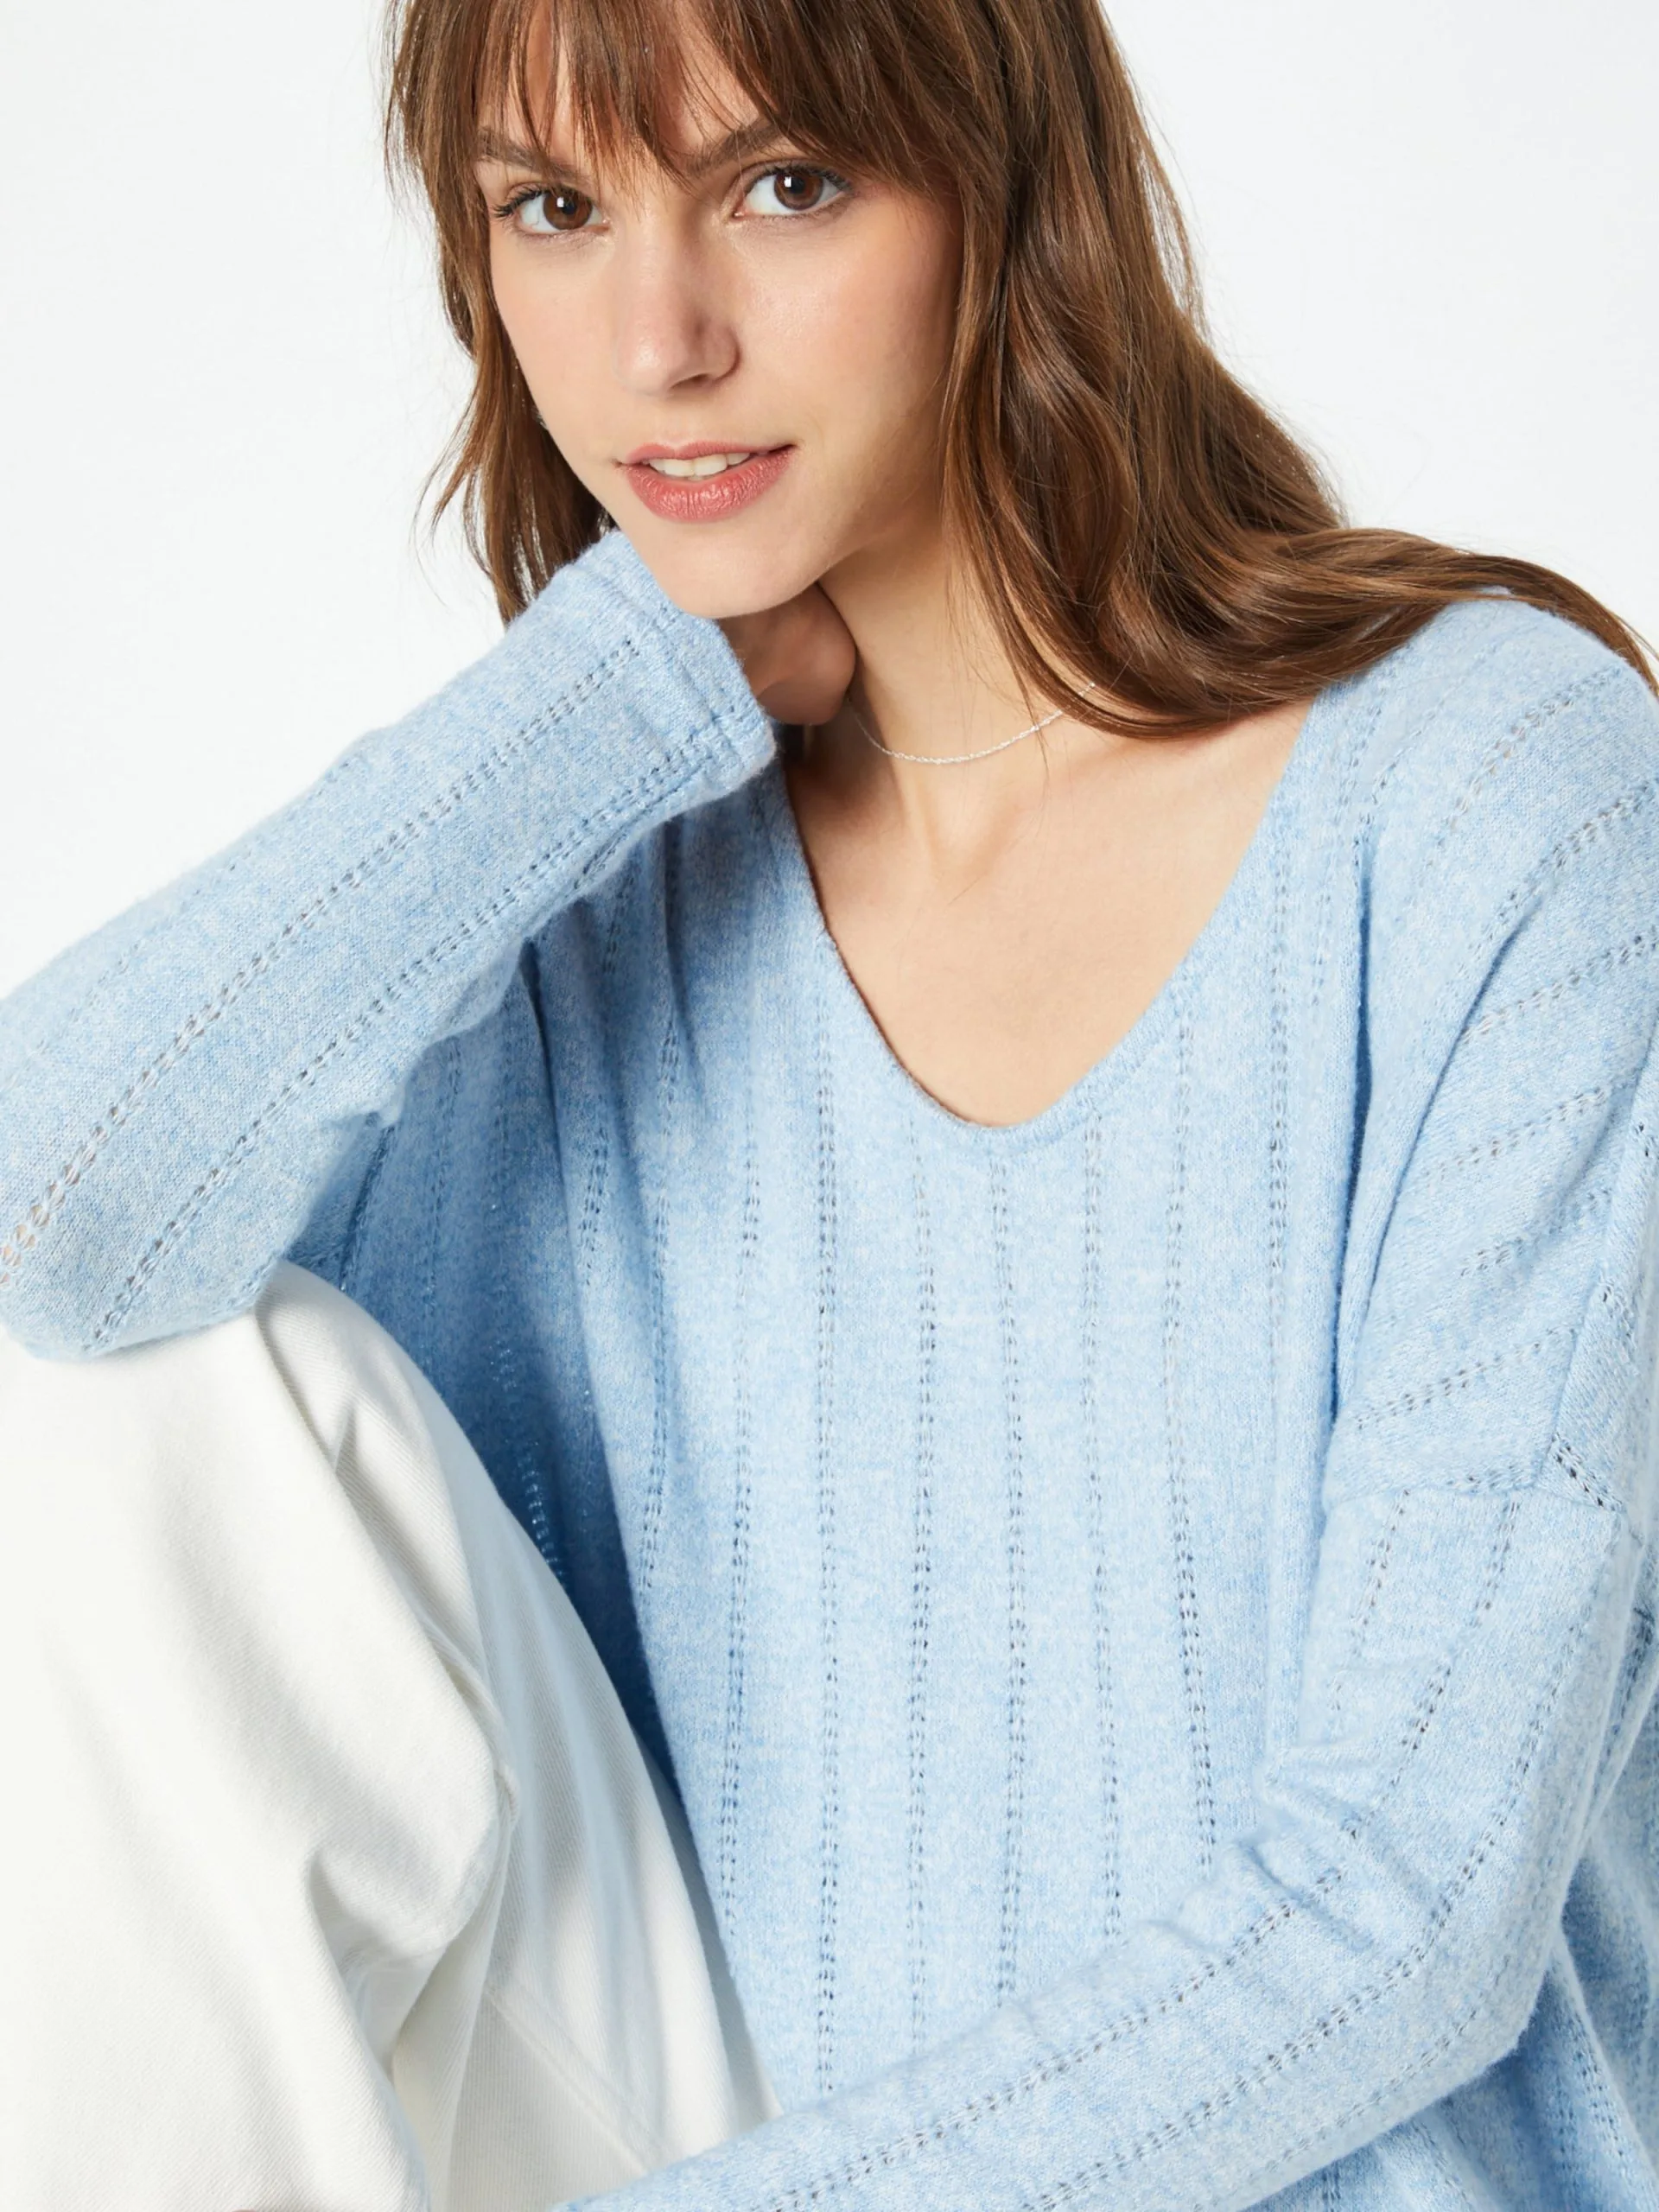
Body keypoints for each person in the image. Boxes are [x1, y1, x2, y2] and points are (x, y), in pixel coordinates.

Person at [2, 0, 1656, 2204]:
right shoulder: (590, 902)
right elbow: (56, 1240)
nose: (658, 342)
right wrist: (615, 693)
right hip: (721, 2131)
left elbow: (1409, 1901)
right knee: (130, 1388)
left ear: (1013, 189)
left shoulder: (1493, 800)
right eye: (554, 210)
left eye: (784, 187)